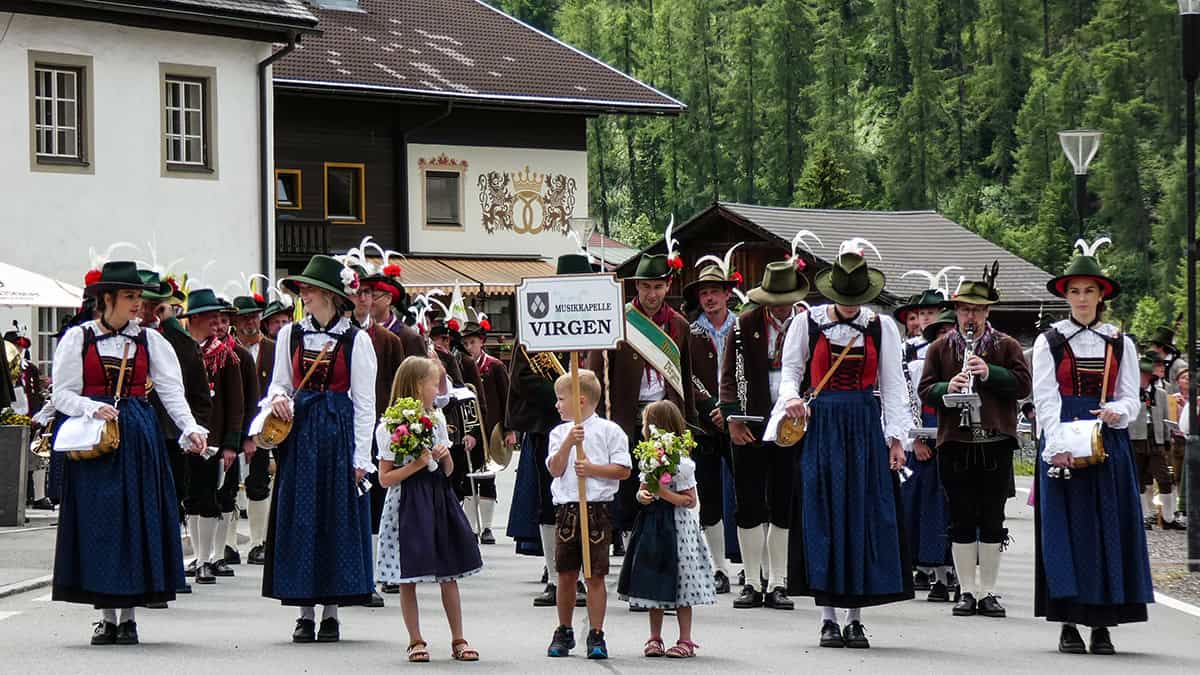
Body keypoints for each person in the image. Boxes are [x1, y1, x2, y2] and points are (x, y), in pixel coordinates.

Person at [51, 260, 208, 645]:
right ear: (106, 299)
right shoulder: (78, 338)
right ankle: (106, 617)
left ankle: (129, 617)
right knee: (98, 524)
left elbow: (172, 391)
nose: (139, 303)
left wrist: (190, 428)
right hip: (94, 441)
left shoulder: (150, 341)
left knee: (134, 522)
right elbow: (61, 394)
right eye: (130, 296)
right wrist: (90, 407)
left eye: (139, 296)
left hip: (137, 438)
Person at [766, 239, 913, 649]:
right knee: (824, 514)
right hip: (822, 425)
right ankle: (828, 617)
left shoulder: (880, 327)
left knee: (860, 515)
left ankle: (855, 618)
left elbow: (894, 387)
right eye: (843, 297)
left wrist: (896, 438)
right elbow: (791, 371)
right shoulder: (807, 323)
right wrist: (792, 397)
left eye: (856, 298)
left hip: (864, 427)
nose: (850, 305)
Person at [1031, 239, 1154, 655]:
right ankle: (1067, 620)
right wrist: (1056, 446)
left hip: (1107, 444)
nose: (1081, 299)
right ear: (1065, 296)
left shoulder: (1121, 342)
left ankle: (1103, 624)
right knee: (1067, 530)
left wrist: (1118, 411)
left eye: (1089, 290)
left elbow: (1131, 399)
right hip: (1065, 443)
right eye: (1074, 291)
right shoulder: (1049, 342)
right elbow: (1045, 399)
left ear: (1102, 295)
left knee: (1107, 528)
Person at [260, 255, 376, 643]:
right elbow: (278, 383)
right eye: (302, 290)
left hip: (338, 437)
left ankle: (331, 612)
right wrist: (277, 399)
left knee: (335, 519)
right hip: (301, 436)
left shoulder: (356, 340)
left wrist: (362, 458)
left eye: (308, 289)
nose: (303, 295)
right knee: (302, 519)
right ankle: (304, 611)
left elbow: (364, 404)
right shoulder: (289, 335)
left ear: (328, 295)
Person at [919, 264, 1031, 619]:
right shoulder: (940, 347)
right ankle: (967, 590)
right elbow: (924, 390)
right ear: (957, 311)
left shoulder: (1006, 345)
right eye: (965, 309)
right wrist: (946, 388)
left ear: (987, 312)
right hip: (956, 440)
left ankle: (989, 591)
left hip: (994, 440)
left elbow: (1024, 385)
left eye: (977, 310)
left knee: (993, 516)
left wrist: (991, 372)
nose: (971, 316)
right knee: (961, 516)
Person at [375, 357, 482, 663]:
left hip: (437, 497)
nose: (438, 389)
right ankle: (415, 639)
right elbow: (385, 478)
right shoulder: (391, 425)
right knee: (408, 574)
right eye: (434, 383)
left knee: (449, 570)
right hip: (408, 499)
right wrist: (417, 464)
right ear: (418, 385)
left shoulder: (435, 419)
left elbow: (447, 471)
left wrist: (446, 457)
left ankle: (458, 638)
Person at [588, 248, 695, 551]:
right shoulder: (618, 319)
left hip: (663, 415)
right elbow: (595, 370)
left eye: (658, 286)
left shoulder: (679, 325)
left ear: (668, 286)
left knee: (661, 479)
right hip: (624, 414)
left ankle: (655, 543)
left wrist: (687, 424)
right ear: (636, 286)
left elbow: (684, 379)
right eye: (646, 286)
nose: (652, 293)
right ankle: (624, 539)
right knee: (626, 480)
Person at [720, 259, 810, 611]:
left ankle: (779, 581)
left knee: (783, 501)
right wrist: (732, 420)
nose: (781, 304)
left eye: (785, 297)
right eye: (774, 297)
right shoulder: (744, 324)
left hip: (791, 422)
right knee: (748, 502)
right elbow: (728, 377)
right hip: (752, 420)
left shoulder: (806, 323)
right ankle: (752, 581)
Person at [507, 253, 592, 607]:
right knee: (550, 503)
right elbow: (522, 379)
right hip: (548, 425)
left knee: (589, 499)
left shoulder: (597, 320)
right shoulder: (534, 323)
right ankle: (557, 577)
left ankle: (588, 575)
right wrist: (563, 397)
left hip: (592, 425)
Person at [545, 369, 632, 660]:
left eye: (560, 399)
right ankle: (564, 629)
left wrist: (592, 469)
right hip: (568, 509)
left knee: (595, 573)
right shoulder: (559, 433)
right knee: (566, 573)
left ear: (580, 400)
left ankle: (596, 633)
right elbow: (555, 469)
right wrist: (569, 443)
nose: (556, 405)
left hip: (597, 510)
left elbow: (623, 470)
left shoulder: (610, 431)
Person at [618, 400, 716, 658]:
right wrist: (644, 497)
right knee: (654, 578)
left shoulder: (681, 462)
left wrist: (662, 493)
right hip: (653, 524)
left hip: (677, 527)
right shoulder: (649, 458)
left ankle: (685, 639)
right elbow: (641, 491)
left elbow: (689, 500)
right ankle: (654, 637)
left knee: (681, 581)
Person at [349, 270, 409, 607]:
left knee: (377, 505)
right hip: (345, 428)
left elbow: (400, 391)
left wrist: (399, 431)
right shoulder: (338, 338)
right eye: (357, 293)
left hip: (379, 431)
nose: (362, 299)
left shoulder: (389, 341)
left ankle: (374, 576)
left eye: (368, 293)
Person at [179, 288, 244, 585]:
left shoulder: (226, 356)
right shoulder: (178, 350)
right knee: (190, 501)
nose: (214, 324)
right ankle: (197, 556)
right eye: (207, 318)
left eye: (216, 319)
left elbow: (236, 405)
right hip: (182, 437)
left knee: (208, 498)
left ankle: (207, 558)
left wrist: (232, 444)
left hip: (212, 439)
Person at [683, 256, 738, 595]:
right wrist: (711, 407)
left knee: (749, 493)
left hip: (739, 421)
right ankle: (717, 567)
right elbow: (686, 374)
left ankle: (756, 567)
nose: (710, 298)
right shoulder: (690, 331)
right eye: (704, 292)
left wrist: (732, 409)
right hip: (704, 424)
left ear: (727, 294)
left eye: (715, 291)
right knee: (708, 496)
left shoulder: (742, 326)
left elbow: (750, 375)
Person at [903, 305, 956, 599]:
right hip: (925, 441)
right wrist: (916, 442)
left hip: (955, 443)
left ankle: (954, 573)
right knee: (925, 507)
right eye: (940, 335)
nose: (944, 340)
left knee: (954, 507)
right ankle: (929, 570)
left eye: (949, 333)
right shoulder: (913, 365)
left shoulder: (965, 366)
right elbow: (906, 404)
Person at [230, 294, 276, 565]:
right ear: (235, 321)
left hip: (263, 426)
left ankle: (259, 542)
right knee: (226, 487)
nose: (251, 322)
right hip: (231, 425)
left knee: (258, 482)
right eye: (245, 317)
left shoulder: (272, 348)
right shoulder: (225, 350)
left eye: (255, 316)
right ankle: (227, 544)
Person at [215, 299, 258, 567]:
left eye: (223, 321)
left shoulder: (240, 356)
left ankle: (224, 548)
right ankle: (210, 551)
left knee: (228, 491)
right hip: (205, 435)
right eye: (215, 320)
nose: (218, 326)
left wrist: (247, 437)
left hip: (232, 434)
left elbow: (250, 400)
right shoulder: (197, 351)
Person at [461, 315, 510, 544]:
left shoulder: (494, 366)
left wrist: (510, 430)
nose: (469, 347)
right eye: (466, 343)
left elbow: (506, 398)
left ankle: (488, 527)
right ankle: (471, 527)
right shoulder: (461, 366)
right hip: (470, 429)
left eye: (473, 342)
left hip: (491, 430)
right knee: (470, 478)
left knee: (488, 478)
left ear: (481, 342)